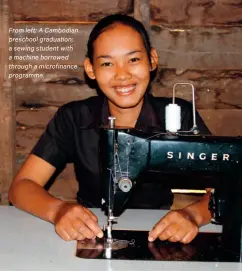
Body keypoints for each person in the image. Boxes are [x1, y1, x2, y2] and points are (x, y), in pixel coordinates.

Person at [9, 14, 212, 244]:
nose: (122, 74)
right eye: (107, 63)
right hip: (90, 232)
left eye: (133, 60)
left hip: (159, 234)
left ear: (152, 59)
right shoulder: (74, 118)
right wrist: (58, 211)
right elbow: (21, 187)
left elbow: (229, 189)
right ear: (90, 68)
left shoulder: (179, 116)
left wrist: (193, 215)